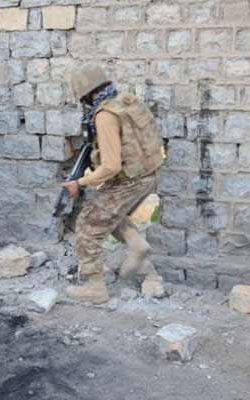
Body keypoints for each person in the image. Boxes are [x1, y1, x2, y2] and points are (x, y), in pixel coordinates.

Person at [63, 64, 165, 304]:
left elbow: (110, 166)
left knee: (88, 224)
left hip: (128, 180)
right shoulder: (125, 101)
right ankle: (136, 244)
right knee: (107, 211)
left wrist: (82, 182)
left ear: (87, 94)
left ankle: (94, 287)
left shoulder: (105, 115)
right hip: (148, 174)